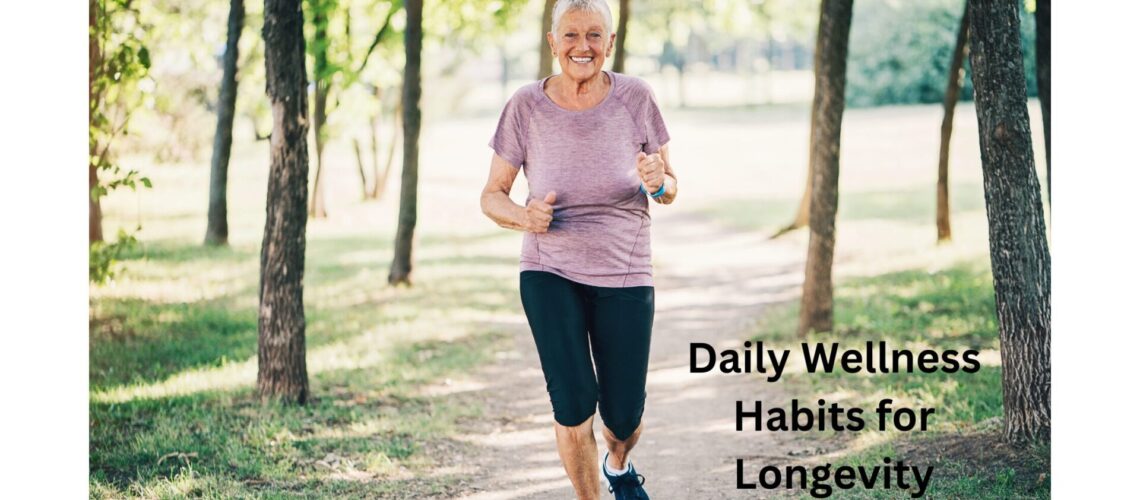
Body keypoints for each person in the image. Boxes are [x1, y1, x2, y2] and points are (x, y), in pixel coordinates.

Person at [479, 1, 677, 498]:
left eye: (594, 36)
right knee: (573, 403)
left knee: (624, 416)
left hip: (626, 269)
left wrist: (659, 182)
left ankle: (617, 464)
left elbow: (669, 185)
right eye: (570, 36)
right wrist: (524, 216)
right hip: (549, 268)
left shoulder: (636, 97)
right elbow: (491, 195)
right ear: (553, 43)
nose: (582, 47)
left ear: (610, 44)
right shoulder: (525, 105)